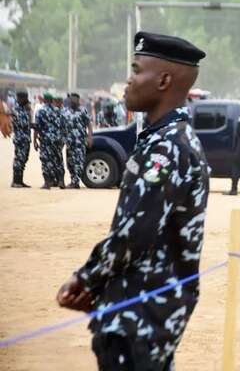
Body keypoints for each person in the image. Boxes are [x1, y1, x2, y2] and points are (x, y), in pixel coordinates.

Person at [56, 32, 209, 370]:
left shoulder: (168, 148)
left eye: (136, 70)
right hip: (140, 309)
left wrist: (85, 278)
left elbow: (133, 234)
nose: (128, 79)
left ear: (164, 80)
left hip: (140, 316)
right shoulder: (164, 139)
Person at [34, 93, 67, 189]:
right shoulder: (59, 111)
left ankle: (47, 183)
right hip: (58, 140)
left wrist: (35, 140)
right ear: (52, 100)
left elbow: (37, 127)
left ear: (44, 100)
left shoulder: (40, 111)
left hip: (45, 140)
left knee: (46, 160)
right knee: (59, 160)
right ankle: (61, 181)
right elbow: (63, 126)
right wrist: (63, 138)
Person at [64, 93, 93, 188]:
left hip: (79, 142)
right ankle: (73, 179)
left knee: (78, 162)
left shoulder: (82, 111)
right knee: (70, 162)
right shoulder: (66, 111)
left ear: (78, 100)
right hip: (69, 142)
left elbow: (89, 124)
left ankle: (75, 182)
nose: (72, 101)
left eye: (74, 100)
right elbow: (63, 126)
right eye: (71, 100)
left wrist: (90, 137)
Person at [10, 91, 33, 188]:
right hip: (20, 138)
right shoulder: (16, 108)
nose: (26, 101)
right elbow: (22, 123)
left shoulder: (25, 108)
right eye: (24, 99)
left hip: (26, 138)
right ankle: (16, 181)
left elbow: (29, 121)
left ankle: (20, 180)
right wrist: (27, 112)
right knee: (19, 159)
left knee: (24, 159)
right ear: (20, 99)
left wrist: (28, 112)